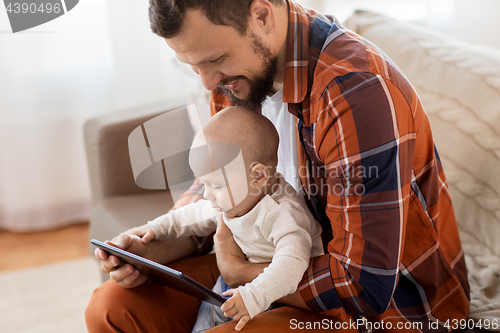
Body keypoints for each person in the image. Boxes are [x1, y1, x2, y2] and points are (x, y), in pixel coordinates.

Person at [86, 1, 470, 332]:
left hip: (386, 310)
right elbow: (223, 195)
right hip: (267, 265)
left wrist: (242, 277)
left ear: (262, 15)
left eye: (215, 59)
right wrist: (153, 249)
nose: (207, 83)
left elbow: (363, 287)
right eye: (192, 65)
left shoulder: (355, 93)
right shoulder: (237, 81)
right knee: (111, 309)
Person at [133, 106, 323, 332]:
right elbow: (192, 215)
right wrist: (154, 229)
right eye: (204, 183)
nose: (206, 194)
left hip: (275, 295)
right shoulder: (238, 196)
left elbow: (292, 264)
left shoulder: (283, 214)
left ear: (258, 176)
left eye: (215, 185)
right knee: (204, 324)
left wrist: (253, 296)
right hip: (232, 286)